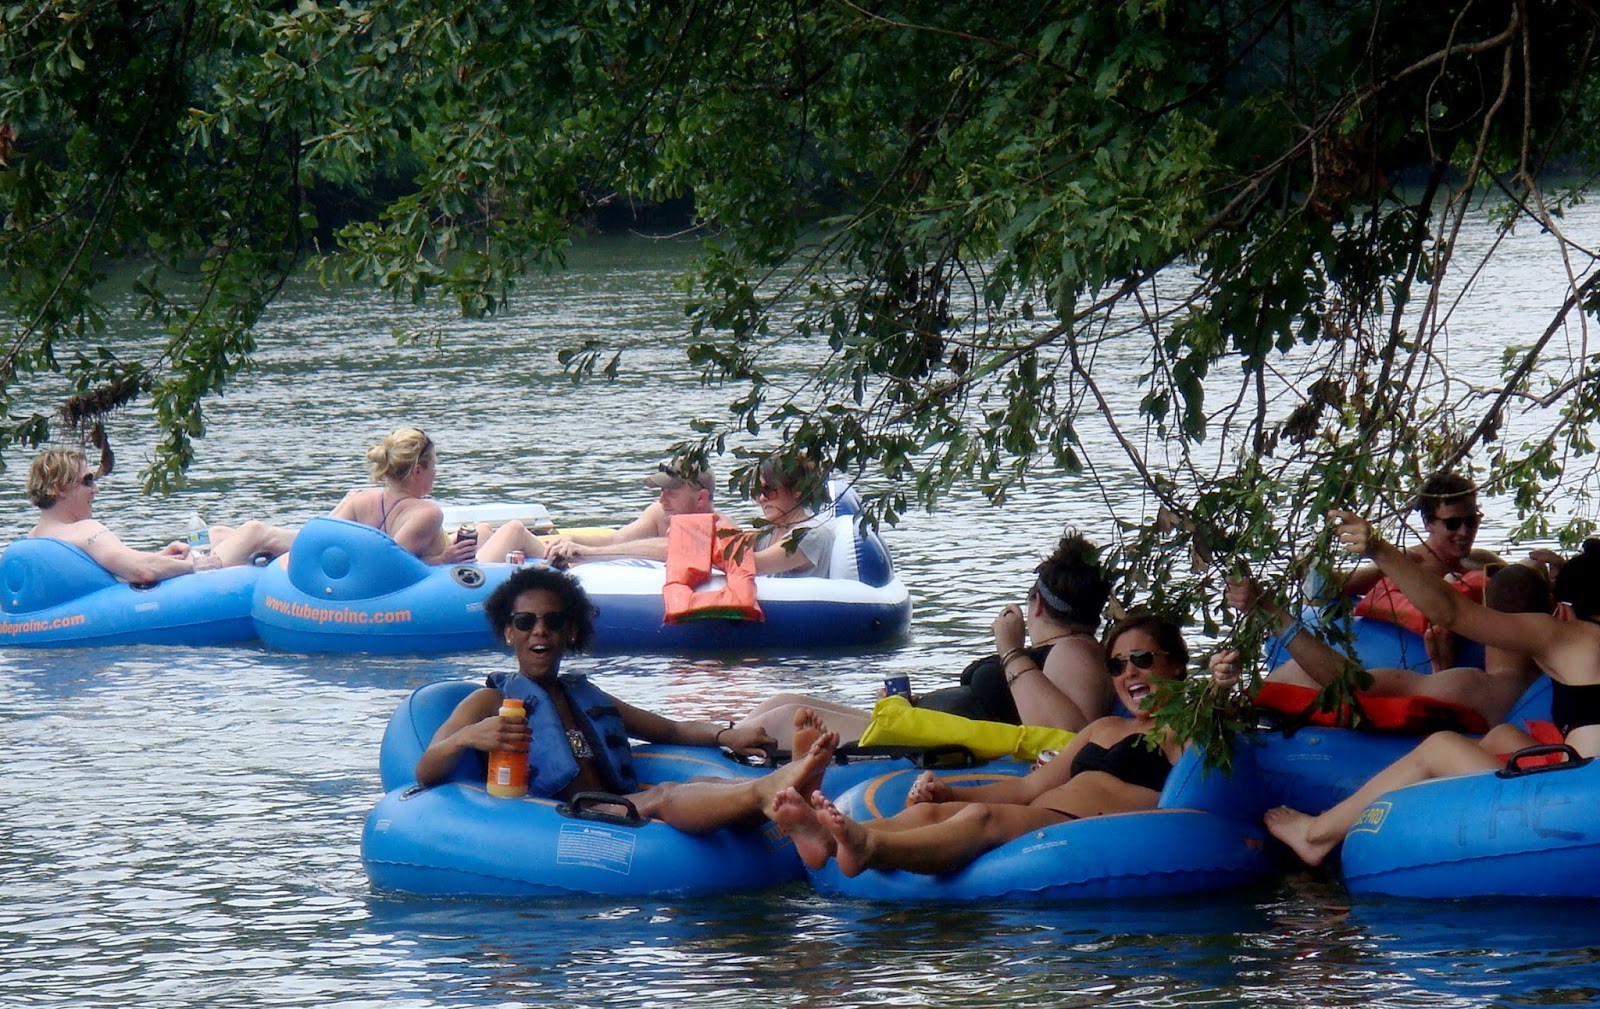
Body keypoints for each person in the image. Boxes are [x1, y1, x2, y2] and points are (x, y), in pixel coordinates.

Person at [1263, 511, 1600, 867]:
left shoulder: (1568, 638)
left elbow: (1452, 612)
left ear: (1564, 611)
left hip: (1581, 795)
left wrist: (1378, 549)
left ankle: (1316, 835)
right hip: (1582, 776)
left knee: (1440, 747)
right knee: (1505, 736)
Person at [415, 565, 842, 833]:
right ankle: (770, 792)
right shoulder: (489, 702)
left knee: (705, 784)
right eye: (525, 621)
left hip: (615, 803)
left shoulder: (583, 695)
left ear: (571, 631)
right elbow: (426, 769)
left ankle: (788, 795)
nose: (539, 631)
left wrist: (727, 735)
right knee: (664, 796)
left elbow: (670, 729)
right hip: (565, 817)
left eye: (553, 621)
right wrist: (468, 737)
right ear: (509, 632)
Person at [772, 614, 1195, 877]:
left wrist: (1220, 686)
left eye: (1141, 659)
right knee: (932, 812)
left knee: (982, 817)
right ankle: (826, 841)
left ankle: (868, 847)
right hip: (1040, 812)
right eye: (1117, 665)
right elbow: (1028, 787)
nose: (1128, 673)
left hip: (1082, 827)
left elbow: (1205, 772)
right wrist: (951, 793)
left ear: (1177, 664)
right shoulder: (1103, 727)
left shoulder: (1188, 732)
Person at [735, 530, 1117, 750]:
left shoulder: (1074, 649)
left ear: (1037, 604)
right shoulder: (1061, 651)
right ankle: (723, 744)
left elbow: (1066, 735)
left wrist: (1010, 649)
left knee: (786, 719)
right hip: (924, 728)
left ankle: (722, 750)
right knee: (784, 702)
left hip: (940, 747)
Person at [1214, 560, 1554, 727]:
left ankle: (1225, 697)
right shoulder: (1560, 674)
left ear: (1484, 615)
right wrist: (1442, 664)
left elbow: (1350, 684)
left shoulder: (1476, 687)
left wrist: (1269, 610)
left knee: (1291, 676)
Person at [1274, 472, 1504, 678]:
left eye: (1471, 521)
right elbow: (1342, 584)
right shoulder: (1409, 562)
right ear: (1428, 523)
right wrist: (1313, 572)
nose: (1464, 532)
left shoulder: (1482, 560)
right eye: (1452, 524)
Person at [24, 447, 293, 583]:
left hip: (115, 590)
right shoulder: (84, 530)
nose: (95, 489)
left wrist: (162, 556)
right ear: (60, 488)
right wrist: (198, 566)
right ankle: (315, 544)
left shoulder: (33, 539)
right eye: (87, 481)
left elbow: (107, 571)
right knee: (254, 531)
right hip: (185, 581)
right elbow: (143, 571)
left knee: (217, 534)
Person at [330, 427, 548, 565]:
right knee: (515, 529)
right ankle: (561, 564)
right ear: (418, 471)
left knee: (482, 529)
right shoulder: (427, 513)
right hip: (445, 579)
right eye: (433, 465)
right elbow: (391, 566)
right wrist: (443, 560)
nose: (435, 473)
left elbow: (323, 536)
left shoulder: (359, 499)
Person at [544, 459, 722, 563]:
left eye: (671, 493)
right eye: (662, 491)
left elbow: (675, 547)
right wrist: (573, 539)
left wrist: (587, 552)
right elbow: (615, 540)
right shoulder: (659, 513)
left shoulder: (720, 530)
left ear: (701, 498)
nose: (662, 500)